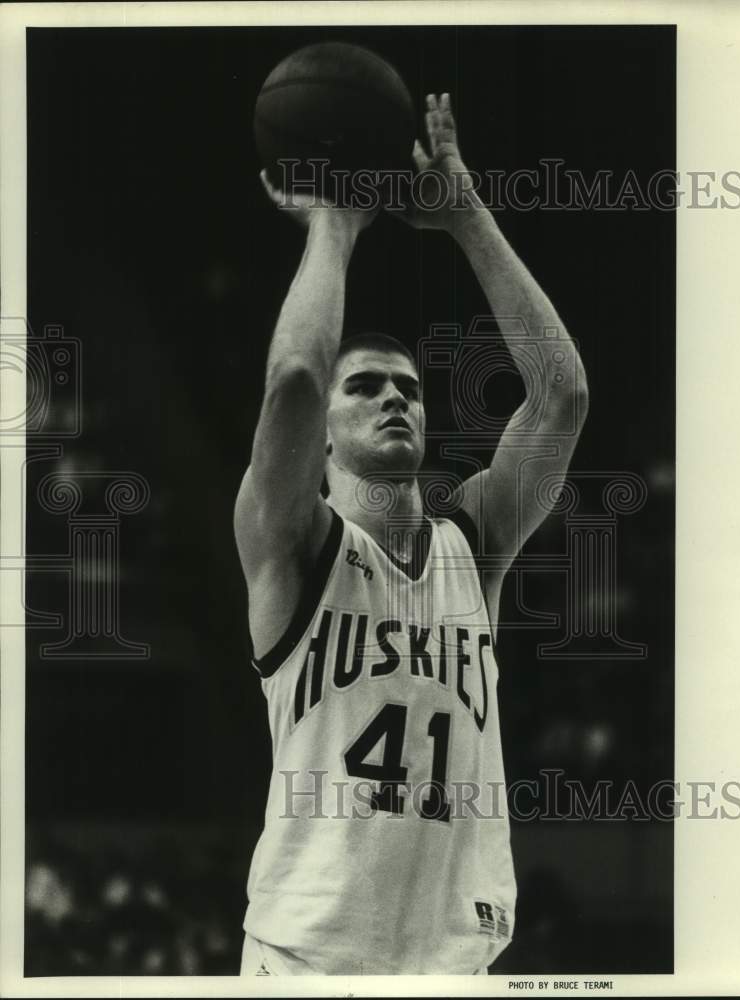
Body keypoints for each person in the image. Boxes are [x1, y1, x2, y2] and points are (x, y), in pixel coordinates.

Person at [234, 93, 588, 976]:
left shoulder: (474, 541)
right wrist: (334, 220)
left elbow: (562, 397)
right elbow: (293, 377)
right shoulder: (290, 543)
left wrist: (467, 216)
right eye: (366, 388)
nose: (396, 395)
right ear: (322, 435)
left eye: (409, 386)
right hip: (306, 957)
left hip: (452, 960)